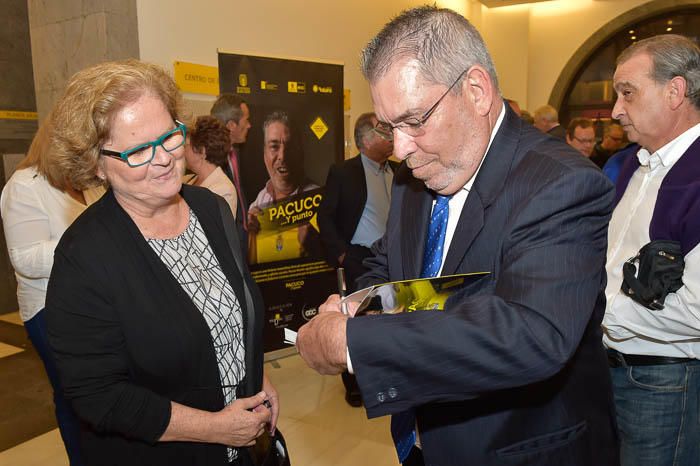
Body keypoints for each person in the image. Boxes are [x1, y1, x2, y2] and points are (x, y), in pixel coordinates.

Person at [296, 6, 618, 466]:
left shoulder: (561, 184)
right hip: (423, 442)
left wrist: (349, 343)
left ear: (476, 91)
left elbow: (530, 333)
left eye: (415, 121)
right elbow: (394, 264)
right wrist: (358, 302)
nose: (401, 150)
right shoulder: (420, 175)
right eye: (390, 128)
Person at [44, 59, 278, 466]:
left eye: (169, 136)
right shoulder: (82, 257)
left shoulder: (211, 209)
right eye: (137, 150)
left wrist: (259, 375)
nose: (164, 158)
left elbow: (233, 314)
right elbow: (98, 396)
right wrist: (214, 428)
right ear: (96, 163)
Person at [603, 34, 700, 466]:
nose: (615, 111)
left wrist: (593, 311)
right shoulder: (634, 164)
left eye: (628, 93)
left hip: (665, 380)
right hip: (612, 368)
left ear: (675, 91)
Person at [0, 117, 103, 466]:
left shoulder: (86, 185)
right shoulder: (24, 185)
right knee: (74, 395)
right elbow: (24, 258)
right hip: (48, 310)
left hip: (91, 305)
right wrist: (84, 245)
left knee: (95, 393)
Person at [318, 111, 396, 407]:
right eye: (384, 132)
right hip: (358, 258)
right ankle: (354, 384)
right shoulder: (343, 171)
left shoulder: (400, 171)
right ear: (366, 139)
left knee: (390, 318)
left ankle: (388, 376)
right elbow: (325, 216)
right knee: (357, 321)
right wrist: (341, 253)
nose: (391, 137)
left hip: (393, 258)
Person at [247, 110, 320, 264]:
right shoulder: (259, 202)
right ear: (264, 153)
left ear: (300, 152)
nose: (282, 156)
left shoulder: (318, 201)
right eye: (274, 147)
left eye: (289, 147)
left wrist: (313, 245)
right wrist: (248, 234)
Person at [183, 115, 238, 216]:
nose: (183, 151)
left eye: (186, 146)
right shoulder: (187, 179)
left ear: (202, 151)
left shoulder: (223, 190)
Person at [211, 93, 251, 229]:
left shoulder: (235, 153)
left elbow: (238, 191)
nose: (249, 125)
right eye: (246, 120)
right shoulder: (211, 162)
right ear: (232, 125)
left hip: (243, 232)